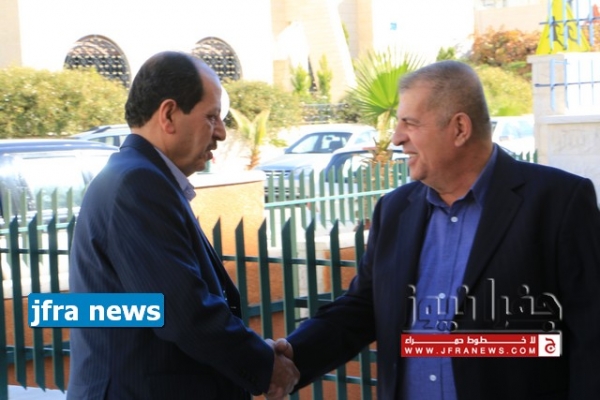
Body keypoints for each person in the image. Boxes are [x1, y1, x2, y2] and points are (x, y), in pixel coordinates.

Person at [273, 60, 600, 399]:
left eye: (410, 123)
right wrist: (292, 356)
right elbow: (363, 307)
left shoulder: (558, 202)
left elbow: (591, 334)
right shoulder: (395, 209)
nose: (397, 138)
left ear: (459, 128)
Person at [67, 51, 298, 400]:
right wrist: (265, 365)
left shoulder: (139, 177)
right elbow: (182, 311)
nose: (221, 132)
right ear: (169, 115)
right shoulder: (137, 184)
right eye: (211, 117)